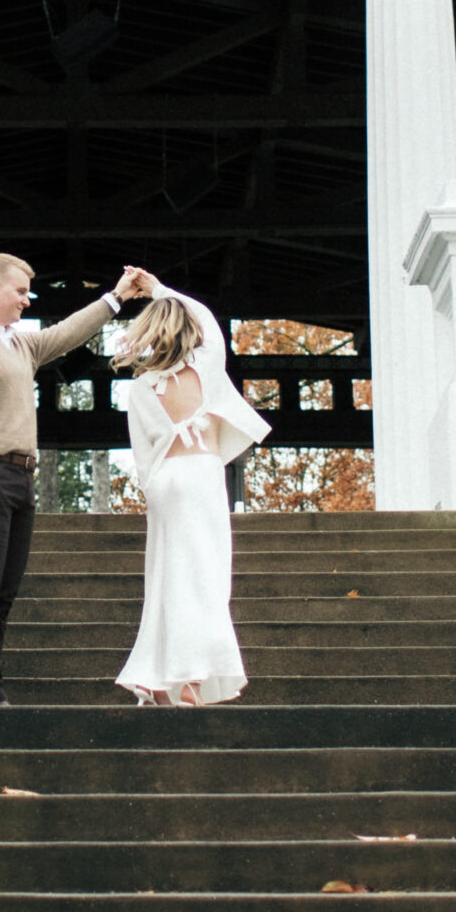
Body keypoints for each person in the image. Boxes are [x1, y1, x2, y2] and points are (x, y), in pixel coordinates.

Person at [0, 252, 148, 707]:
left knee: (4, 591)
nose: (26, 302)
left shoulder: (19, 343)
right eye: (19, 292)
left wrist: (116, 298)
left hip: (20, 477)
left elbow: (66, 333)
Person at [113, 278, 269, 707]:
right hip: (201, 476)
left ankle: (159, 679)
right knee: (203, 578)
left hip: (165, 479)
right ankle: (190, 678)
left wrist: (153, 493)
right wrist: (160, 288)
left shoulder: (142, 387)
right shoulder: (206, 368)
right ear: (189, 333)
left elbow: (142, 452)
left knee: (165, 578)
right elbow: (207, 318)